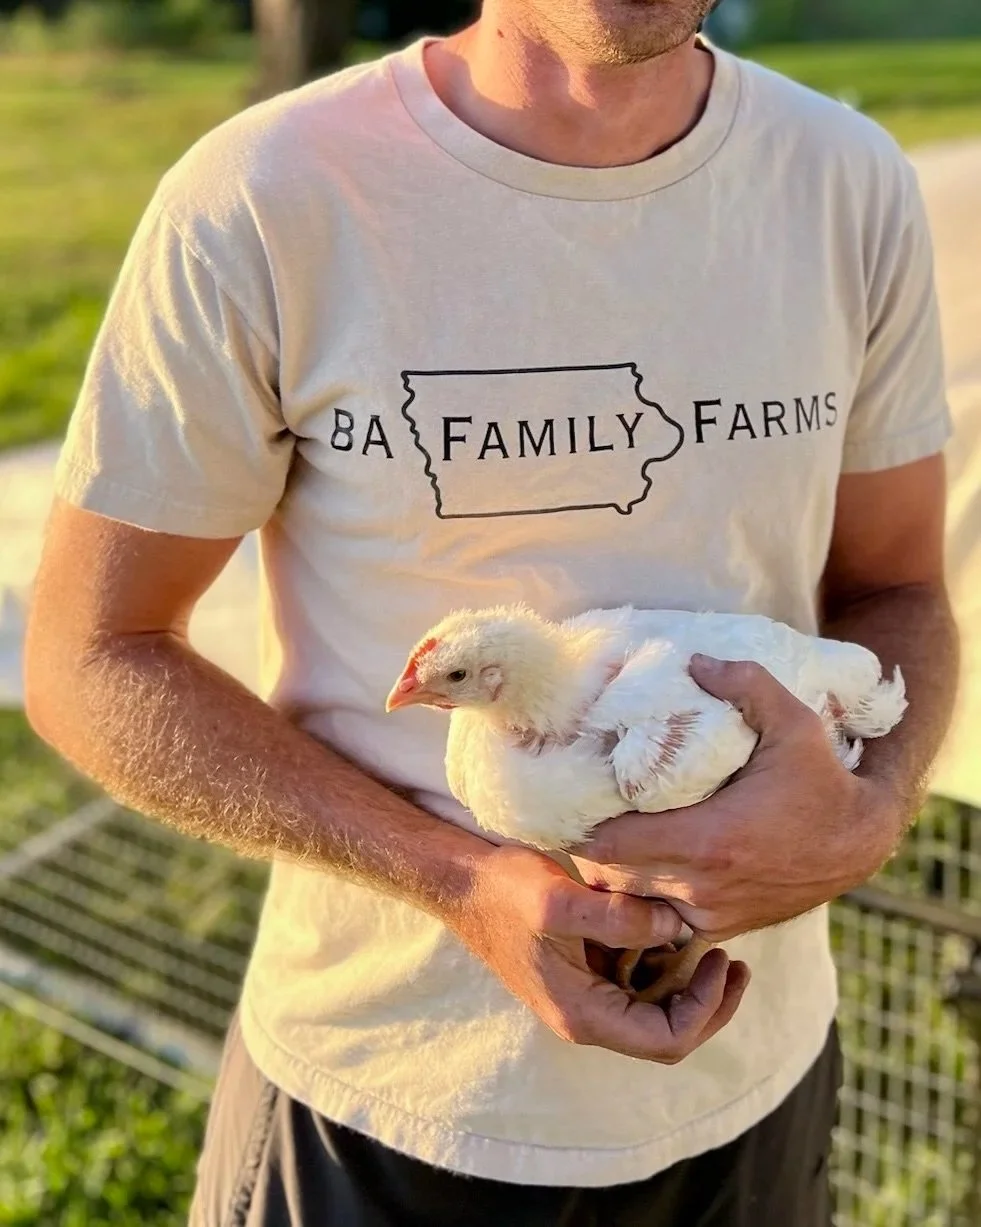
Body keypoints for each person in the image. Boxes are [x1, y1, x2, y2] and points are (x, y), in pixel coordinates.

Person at [24, 0, 958, 1222]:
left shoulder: (845, 181)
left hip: (754, 1087)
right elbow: (91, 655)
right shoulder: (267, 197)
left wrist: (869, 812)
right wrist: (457, 882)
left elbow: (898, 592)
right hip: (390, 1102)